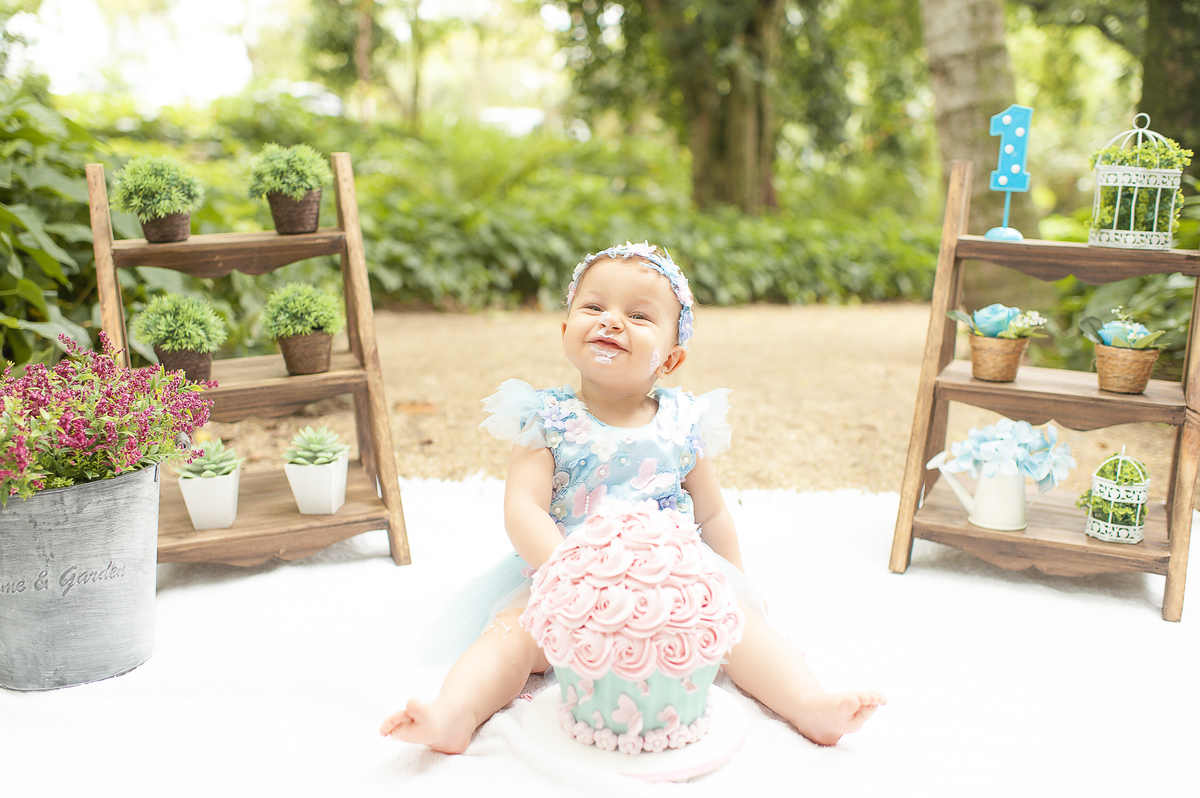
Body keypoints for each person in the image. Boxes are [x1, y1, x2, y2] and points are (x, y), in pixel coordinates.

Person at [380, 242, 885, 753]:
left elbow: (711, 513)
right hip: (568, 577)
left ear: (671, 357)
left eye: (639, 315)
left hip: (672, 585)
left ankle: (810, 704)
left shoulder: (683, 423)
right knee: (511, 636)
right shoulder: (549, 418)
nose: (611, 322)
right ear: (565, 332)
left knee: (738, 627)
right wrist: (567, 573)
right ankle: (455, 713)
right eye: (594, 307)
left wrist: (737, 586)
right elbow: (523, 508)